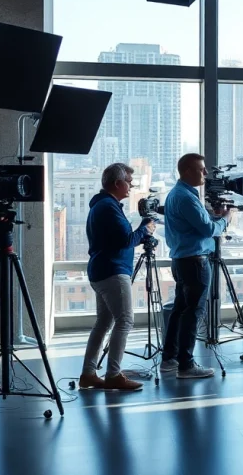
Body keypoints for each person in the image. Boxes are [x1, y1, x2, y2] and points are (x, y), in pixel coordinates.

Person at [79, 163, 155, 391]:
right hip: (113, 271)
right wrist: (145, 229)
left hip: (100, 270)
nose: (131, 185)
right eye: (128, 181)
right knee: (125, 321)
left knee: (103, 323)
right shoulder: (108, 208)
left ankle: (88, 374)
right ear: (116, 183)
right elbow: (125, 240)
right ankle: (113, 374)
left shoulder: (102, 206)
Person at [162, 153, 233, 379]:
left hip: (182, 260)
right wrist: (224, 220)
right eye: (201, 169)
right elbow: (207, 230)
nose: (205, 173)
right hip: (195, 262)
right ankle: (187, 365)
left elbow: (197, 224)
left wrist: (212, 217)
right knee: (193, 313)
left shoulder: (177, 194)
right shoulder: (187, 198)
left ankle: (170, 359)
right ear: (187, 171)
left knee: (180, 310)